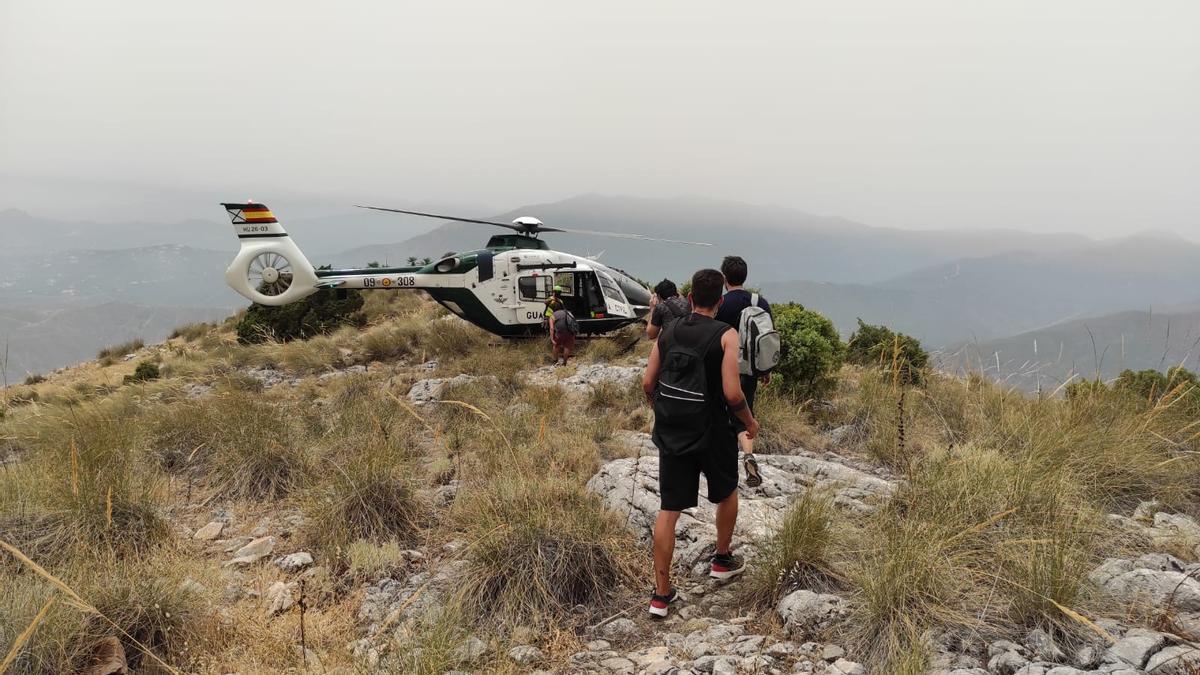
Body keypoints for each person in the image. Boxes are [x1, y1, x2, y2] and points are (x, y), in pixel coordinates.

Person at [642, 268, 759, 618]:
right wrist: (750, 423)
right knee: (726, 492)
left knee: (669, 510)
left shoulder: (669, 330)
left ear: (690, 298)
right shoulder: (726, 335)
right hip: (713, 431)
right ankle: (722, 559)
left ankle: (661, 596)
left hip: (673, 430)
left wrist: (662, 410)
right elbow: (732, 392)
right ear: (720, 301)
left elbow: (649, 383)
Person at [714, 256, 770, 487]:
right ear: (744, 276)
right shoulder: (760, 302)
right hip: (750, 370)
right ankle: (747, 455)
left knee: (719, 414)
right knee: (745, 416)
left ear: (724, 278)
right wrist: (765, 369)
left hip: (723, 369)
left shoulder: (721, 303)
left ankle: (721, 462)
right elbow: (767, 339)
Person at [549, 302, 577, 366]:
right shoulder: (568, 312)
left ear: (553, 309)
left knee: (556, 346)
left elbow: (551, 328)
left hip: (560, 332)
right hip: (570, 332)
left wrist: (552, 338)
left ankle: (555, 362)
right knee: (567, 347)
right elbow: (573, 322)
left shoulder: (553, 315)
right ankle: (564, 363)